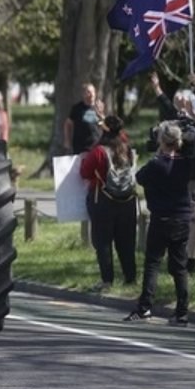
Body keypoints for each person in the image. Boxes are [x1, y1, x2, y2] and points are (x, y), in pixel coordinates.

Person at [125, 121, 194, 326]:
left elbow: (139, 177)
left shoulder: (156, 164)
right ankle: (182, 311)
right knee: (179, 267)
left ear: (162, 141)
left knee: (153, 263)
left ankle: (145, 306)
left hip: (162, 218)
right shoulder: (186, 162)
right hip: (182, 217)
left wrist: (157, 154)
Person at [80, 114, 138, 290]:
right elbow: (122, 133)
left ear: (103, 131)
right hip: (127, 200)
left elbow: (85, 173)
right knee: (126, 241)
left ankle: (107, 281)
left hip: (103, 200)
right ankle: (130, 278)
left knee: (103, 242)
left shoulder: (98, 151)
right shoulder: (127, 148)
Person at [64, 83, 101, 155]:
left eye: (93, 92)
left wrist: (101, 115)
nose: (91, 94)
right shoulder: (77, 108)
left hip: (95, 144)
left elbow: (102, 124)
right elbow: (68, 124)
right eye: (88, 92)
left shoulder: (98, 108)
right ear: (83, 94)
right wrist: (67, 141)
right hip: (80, 146)